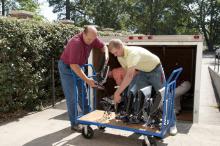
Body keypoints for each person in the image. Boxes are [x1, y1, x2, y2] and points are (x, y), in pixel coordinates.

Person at [108, 39, 177, 135]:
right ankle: (138, 118)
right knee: (133, 92)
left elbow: (129, 76)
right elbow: (127, 74)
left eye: (115, 52)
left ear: (120, 47)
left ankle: (172, 124)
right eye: (113, 54)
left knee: (164, 96)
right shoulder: (120, 57)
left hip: (155, 69)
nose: (115, 55)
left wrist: (117, 93)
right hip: (142, 72)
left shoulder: (132, 53)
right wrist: (124, 92)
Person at [58, 26, 109, 131]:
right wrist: (88, 80)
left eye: (93, 39)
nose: (91, 42)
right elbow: (73, 66)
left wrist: (106, 55)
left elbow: (103, 45)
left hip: (79, 66)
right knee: (73, 97)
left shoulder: (92, 38)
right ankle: (75, 123)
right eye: (89, 39)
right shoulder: (75, 43)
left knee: (83, 94)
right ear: (83, 34)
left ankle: (88, 118)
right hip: (68, 68)